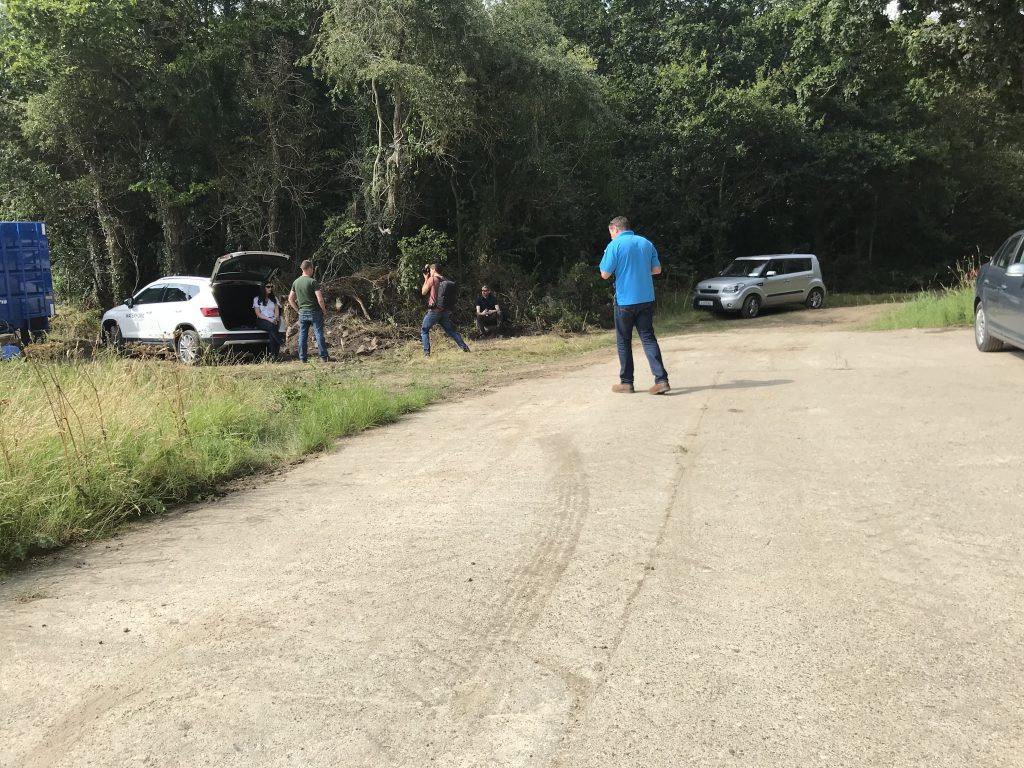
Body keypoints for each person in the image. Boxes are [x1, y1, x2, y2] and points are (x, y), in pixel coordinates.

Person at [599, 216, 670, 394]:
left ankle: (626, 382)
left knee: (624, 341)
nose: (611, 236)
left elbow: (605, 274)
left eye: (610, 233)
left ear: (615, 229)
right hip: (646, 299)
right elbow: (657, 270)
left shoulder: (614, 246)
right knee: (648, 338)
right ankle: (661, 380)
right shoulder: (646, 243)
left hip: (624, 302)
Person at [420, 263, 470, 357]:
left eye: (430, 270)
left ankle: (426, 354)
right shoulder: (444, 279)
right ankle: (465, 348)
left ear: (434, 270)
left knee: (424, 330)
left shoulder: (433, 279)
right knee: (451, 331)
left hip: (434, 311)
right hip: (444, 311)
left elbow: (423, 292)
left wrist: (426, 278)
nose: (429, 272)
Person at [288, 260, 329, 363]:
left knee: (302, 335)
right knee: (318, 334)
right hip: (315, 311)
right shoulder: (312, 282)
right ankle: (323, 357)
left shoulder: (296, 282)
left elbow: (290, 299)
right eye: (312, 269)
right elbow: (320, 299)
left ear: (302, 269)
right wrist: (324, 310)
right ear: (310, 268)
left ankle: (302, 358)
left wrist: (298, 310)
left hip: (303, 313)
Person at [253, 283, 284, 358]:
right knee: (272, 327)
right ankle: (281, 343)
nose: (270, 288)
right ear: (263, 288)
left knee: (271, 332)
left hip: (273, 319)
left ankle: (274, 356)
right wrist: (270, 320)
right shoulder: (256, 299)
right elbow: (258, 314)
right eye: (268, 287)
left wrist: (276, 318)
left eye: (271, 286)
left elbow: (277, 311)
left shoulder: (274, 298)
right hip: (262, 320)